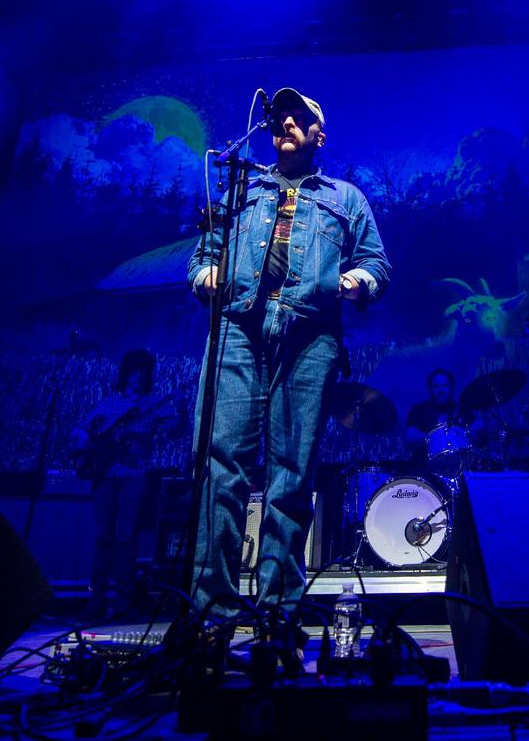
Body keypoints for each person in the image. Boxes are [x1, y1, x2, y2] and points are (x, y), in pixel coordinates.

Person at [187, 87, 390, 619]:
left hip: (309, 333)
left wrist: (356, 280)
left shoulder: (346, 197)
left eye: (300, 118)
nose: (287, 124)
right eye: (280, 118)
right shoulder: (240, 187)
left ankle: (278, 611)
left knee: (291, 472)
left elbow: (377, 264)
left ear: (319, 134)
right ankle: (212, 611)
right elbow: (203, 253)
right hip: (236, 326)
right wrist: (203, 274)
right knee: (220, 464)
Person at [71, 349, 170, 620]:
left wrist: (178, 414)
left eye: (142, 373)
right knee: (103, 536)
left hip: (135, 474)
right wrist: (86, 445)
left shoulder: (153, 405)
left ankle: (123, 600)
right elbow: (79, 431)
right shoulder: (110, 404)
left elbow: (174, 429)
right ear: (125, 374)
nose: (136, 378)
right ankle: (97, 598)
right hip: (105, 474)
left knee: (126, 537)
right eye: (132, 372)